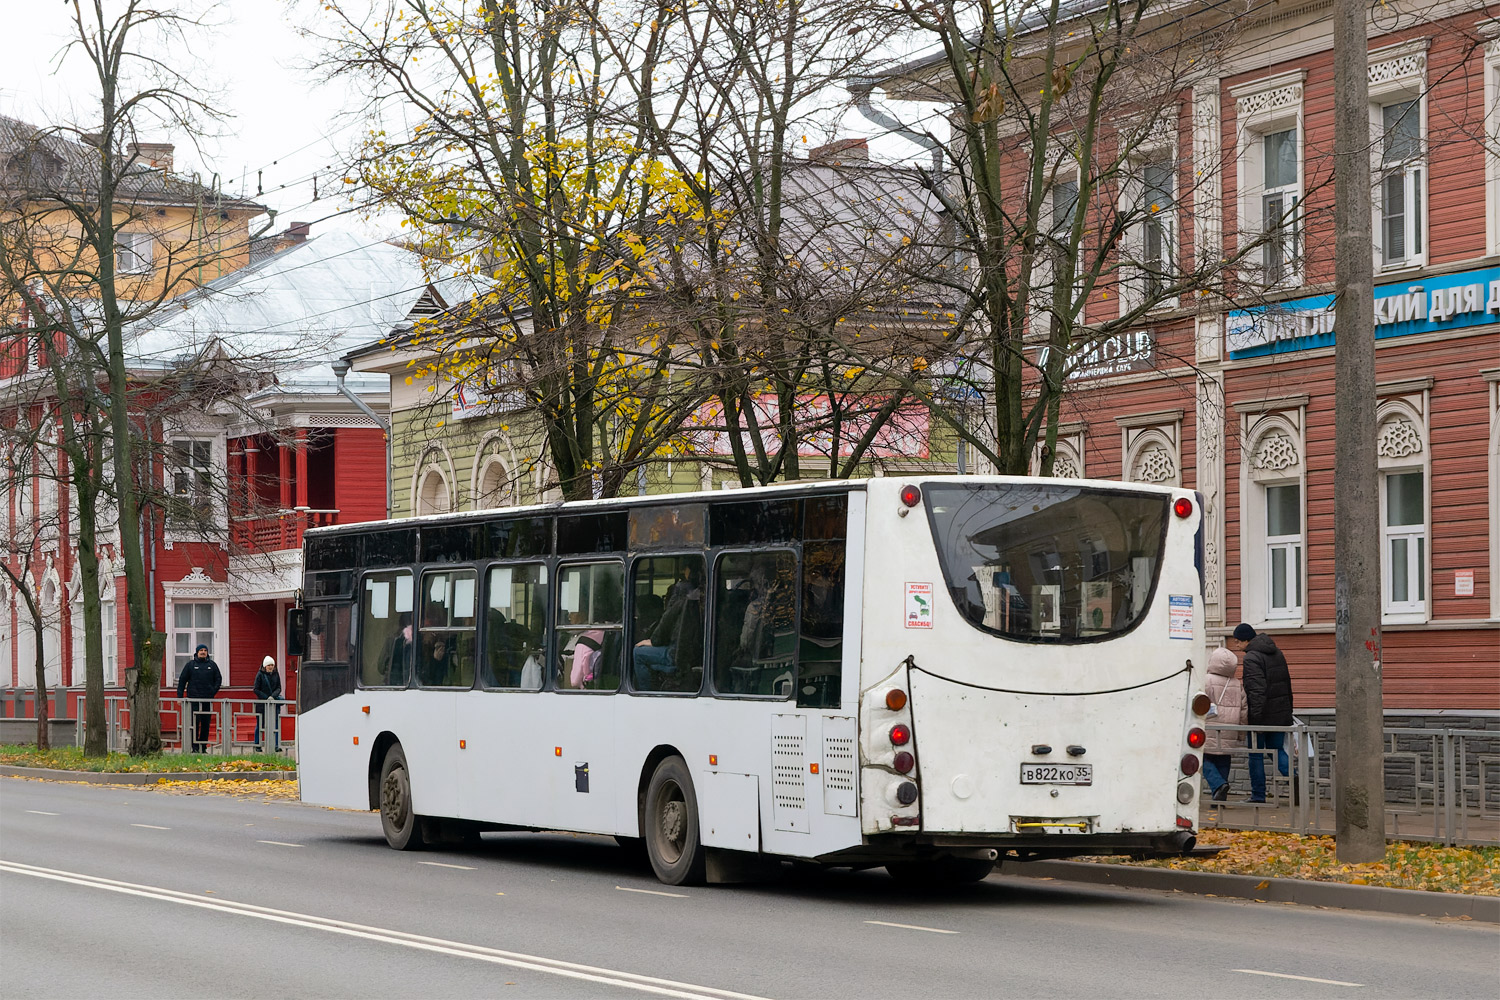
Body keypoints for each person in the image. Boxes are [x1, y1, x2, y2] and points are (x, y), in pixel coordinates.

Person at [1229, 622, 1294, 802]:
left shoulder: (1252, 658)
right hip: (1280, 713)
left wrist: (1254, 720)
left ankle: (1258, 795)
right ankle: (1296, 781)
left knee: (1255, 755)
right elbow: (1287, 684)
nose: (1236, 645)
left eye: (1237, 641)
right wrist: (1288, 712)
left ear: (1245, 640)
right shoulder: (1277, 653)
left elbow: (1256, 691)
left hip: (1261, 715)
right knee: (1278, 750)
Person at [632, 563, 704, 691]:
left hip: (677, 654)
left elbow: (666, 624)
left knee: (638, 652)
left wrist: (653, 641)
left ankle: (644, 692)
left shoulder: (682, 593)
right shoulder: (701, 595)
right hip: (693, 654)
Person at [1201, 646, 1247, 802]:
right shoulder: (1236, 683)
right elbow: (1244, 710)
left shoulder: (1205, 680)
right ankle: (1220, 799)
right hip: (1230, 728)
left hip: (1209, 726)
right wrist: (1241, 732)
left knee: (1203, 757)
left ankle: (1218, 785)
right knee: (1223, 759)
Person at [175, 644, 223, 754]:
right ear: (197, 652)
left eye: (205, 650)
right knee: (194, 723)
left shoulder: (212, 665)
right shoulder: (190, 665)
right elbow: (182, 681)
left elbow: (218, 679)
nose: (203, 652)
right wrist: (180, 697)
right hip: (193, 699)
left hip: (207, 699)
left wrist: (212, 691)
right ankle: (194, 747)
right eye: (201, 650)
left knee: (206, 724)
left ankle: (203, 747)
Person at [253, 655, 283, 752]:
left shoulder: (276, 674)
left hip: (274, 703)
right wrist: (266, 698)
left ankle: (276, 745)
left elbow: (279, 687)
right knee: (260, 724)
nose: (271, 667)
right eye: (269, 665)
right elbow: (256, 689)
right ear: (265, 666)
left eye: (272, 665)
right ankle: (258, 745)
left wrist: (272, 697)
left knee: (276, 724)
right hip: (262, 704)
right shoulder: (260, 675)